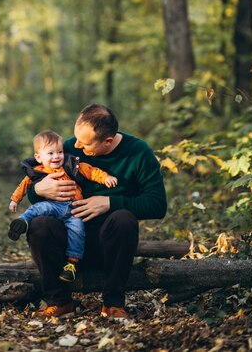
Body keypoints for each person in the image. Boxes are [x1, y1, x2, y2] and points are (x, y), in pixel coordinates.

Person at [25, 104, 167, 320]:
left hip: (107, 245)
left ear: (107, 140)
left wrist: (110, 202)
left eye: (85, 143)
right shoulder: (69, 148)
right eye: (76, 139)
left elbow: (157, 204)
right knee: (39, 224)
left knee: (124, 219)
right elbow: (35, 185)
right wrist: (37, 190)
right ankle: (60, 302)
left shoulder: (138, 153)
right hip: (66, 245)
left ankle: (113, 303)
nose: (77, 146)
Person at [8, 129, 117, 282]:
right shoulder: (37, 171)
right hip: (53, 205)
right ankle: (22, 221)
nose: (57, 156)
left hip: (74, 208)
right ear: (38, 157)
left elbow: (90, 171)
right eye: (50, 153)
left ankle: (72, 264)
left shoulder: (70, 165)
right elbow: (24, 186)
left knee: (78, 232)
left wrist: (105, 177)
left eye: (59, 152)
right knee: (38, 209)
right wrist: (15, 200)